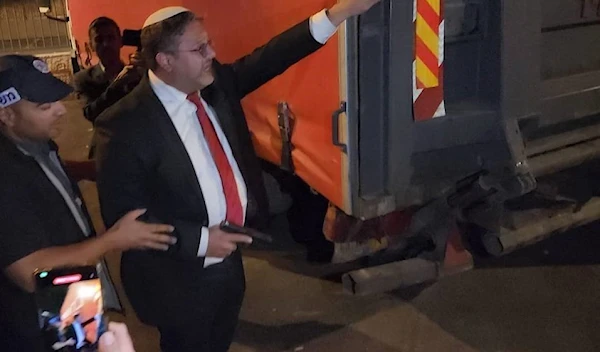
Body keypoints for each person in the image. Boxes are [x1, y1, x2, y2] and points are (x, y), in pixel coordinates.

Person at [94, 1, 380, 351]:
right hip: (177, 279)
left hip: (229, 266)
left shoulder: (216, 86)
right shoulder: (123, 125)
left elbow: (272, 56)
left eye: (209, 43)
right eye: (199, 48)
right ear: (165, 61)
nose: (212, 53)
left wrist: (339, 13)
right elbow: (125, 220)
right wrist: (200, 241)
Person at [0, 54, 177, 352]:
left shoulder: (32, 141)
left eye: (57, 100)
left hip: (73, 298)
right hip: (39, 323)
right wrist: (114, 239)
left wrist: (91, 170)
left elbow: (41, 174)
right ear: (5, 115)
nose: (60, 111)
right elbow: (29, 272)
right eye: (45, 106)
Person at [74, 17, 143, 125]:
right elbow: (91, 114)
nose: (106, 44)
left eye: (111, 38)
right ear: (91, 46)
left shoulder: (137, 73)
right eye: (99, 40)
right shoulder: (83, 79)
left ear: (120, 41)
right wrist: (118, 85)